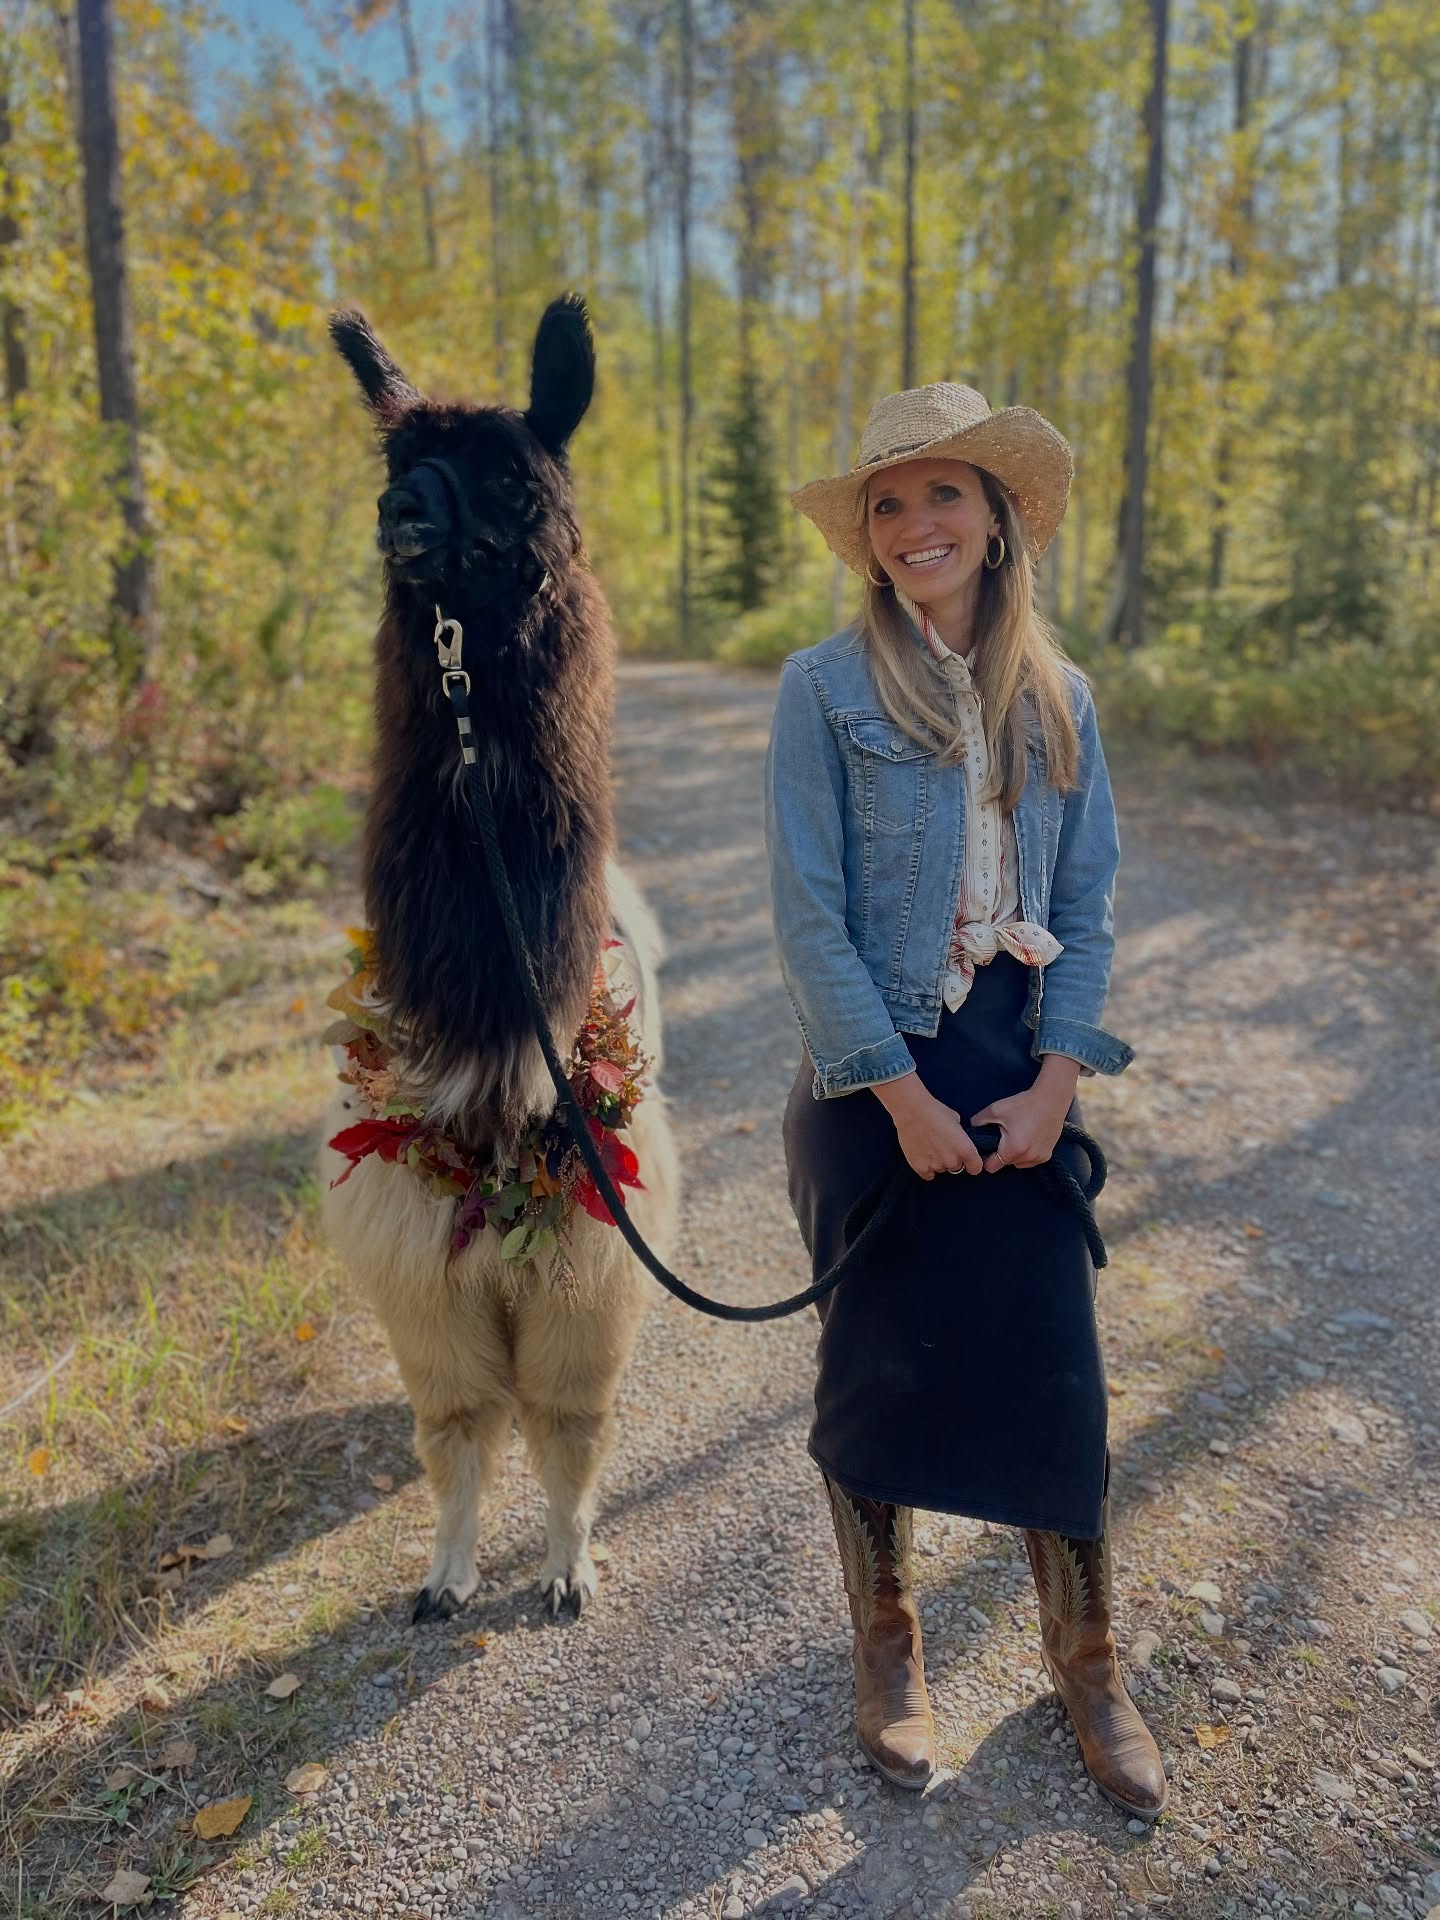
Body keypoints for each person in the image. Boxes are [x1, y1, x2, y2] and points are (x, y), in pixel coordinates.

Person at [765, 382, 1167, 1819]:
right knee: (876, 1364)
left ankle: (1089, 1655)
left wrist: (1059, 1080)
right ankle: (887, 1640)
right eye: (889, 503)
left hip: (1020, 1069)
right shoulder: (820, 689)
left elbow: (1090, 907)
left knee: (1057, 1367)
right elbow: (809, 922)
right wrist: (899, 1100)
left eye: (946, 495)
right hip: (873, 1073)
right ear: (868, 544)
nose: (916, 522)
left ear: (998, 520)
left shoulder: (1060, 700)